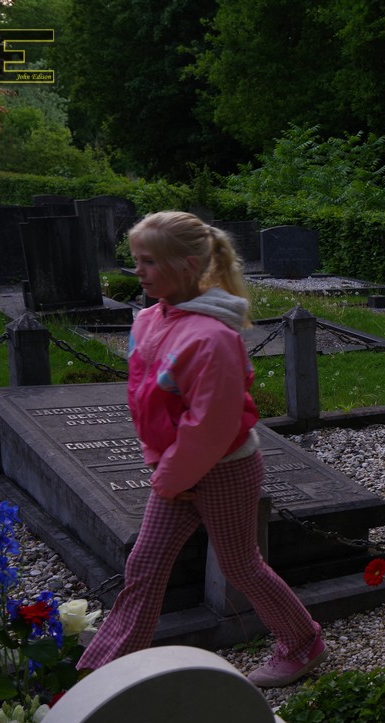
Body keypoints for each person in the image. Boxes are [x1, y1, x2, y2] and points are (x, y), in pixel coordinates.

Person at [76, 211, 327, 688]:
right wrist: (161, 463)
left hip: (224, 468)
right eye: (136, 260)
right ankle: (103, 674)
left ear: (188, 265)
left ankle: (302, 642)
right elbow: (145, 397)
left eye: (150, 261)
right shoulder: (149, 319)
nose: (138, 271)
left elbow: (210, 425)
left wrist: (171, 476)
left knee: (240, 565)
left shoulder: (213, 338)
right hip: (175, 469)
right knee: (145, 566)